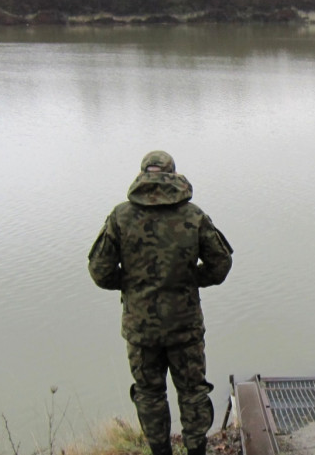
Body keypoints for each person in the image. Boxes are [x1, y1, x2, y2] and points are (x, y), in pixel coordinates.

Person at [88, 150, 233, 455]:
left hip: (141, 330)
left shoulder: (120, 217)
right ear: (173, 175)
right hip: (185, 326)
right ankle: (196, 450)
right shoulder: (193, 216)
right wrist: (190, 278)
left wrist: (131, 284)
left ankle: (160, 451)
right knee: (192, 392)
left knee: (150, 394)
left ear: (142, 175)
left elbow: (100, 271)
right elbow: (220, 264)